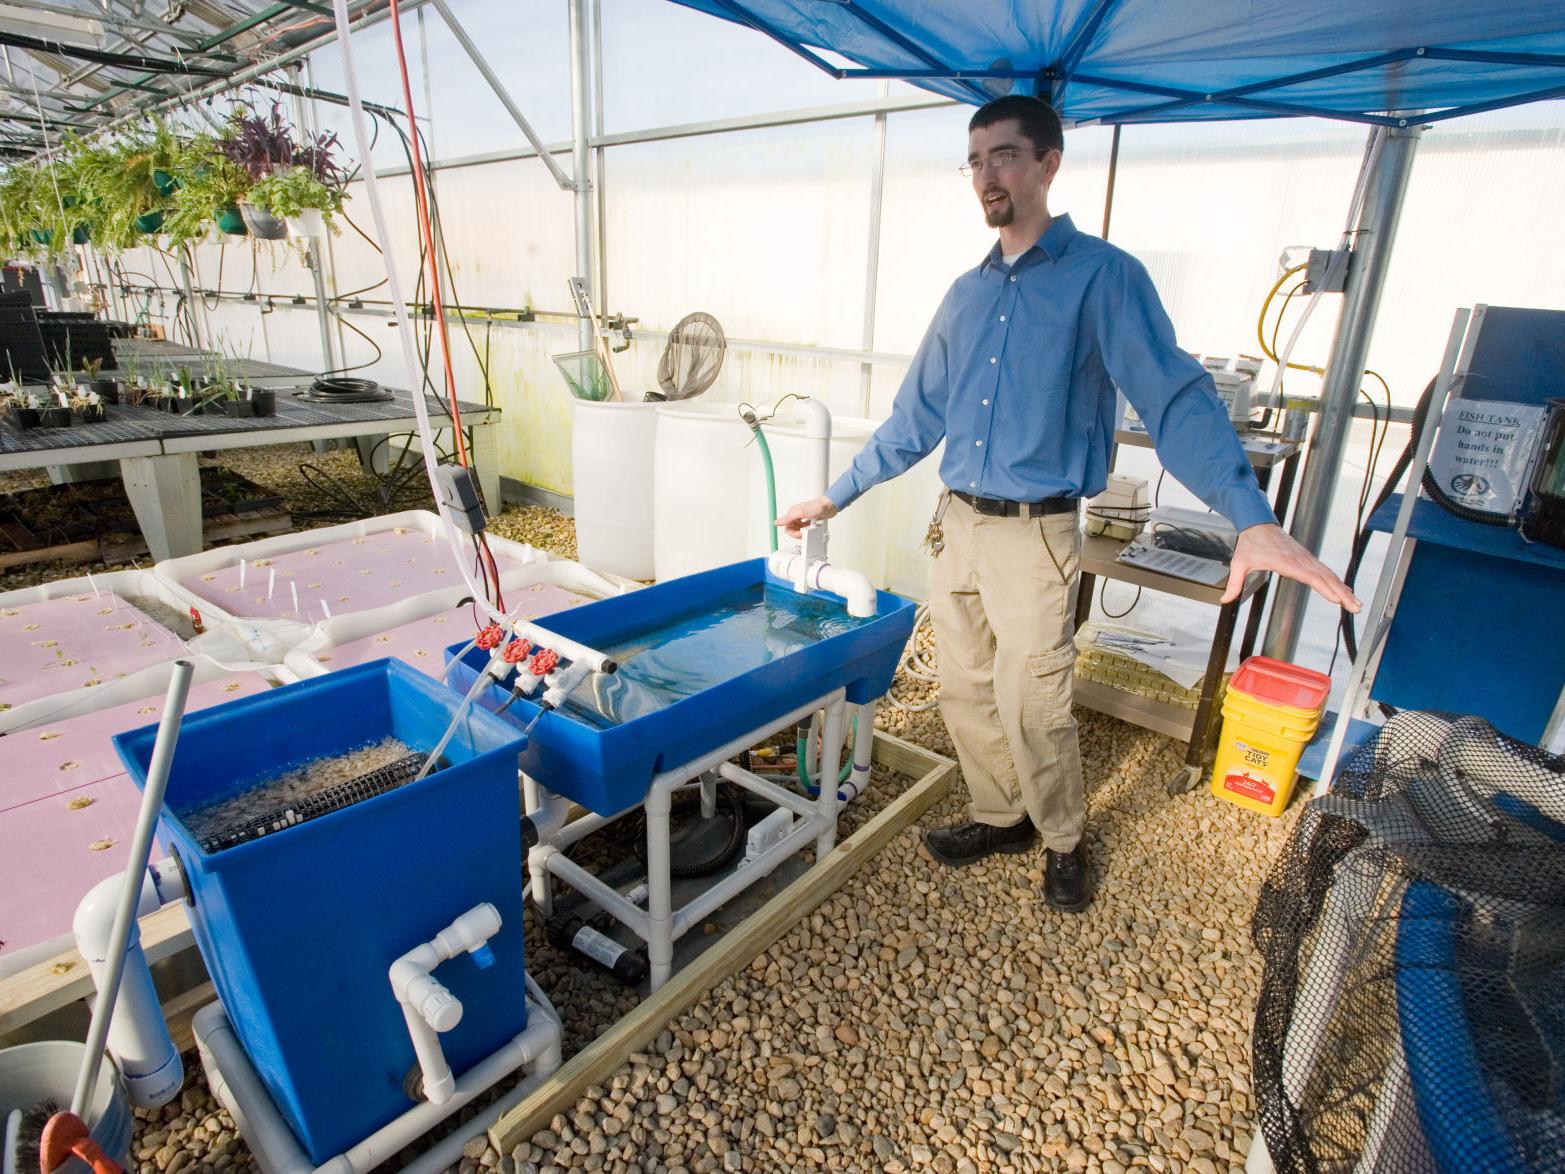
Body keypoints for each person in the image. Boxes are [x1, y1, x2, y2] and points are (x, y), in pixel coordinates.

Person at [777, 94, 1361, 913]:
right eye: (974, 161)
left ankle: (1062, 839)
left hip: (1035, 533)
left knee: (1035, 701)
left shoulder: (1103, 277)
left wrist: (1250, 516)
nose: (986, 176)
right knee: (963, 688)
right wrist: (834, 496)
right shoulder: (965, 294)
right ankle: (1000, 816)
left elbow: (1173, 397)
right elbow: (914, 417)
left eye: (1004, 156)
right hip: (957, 524)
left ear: (1048, 163)